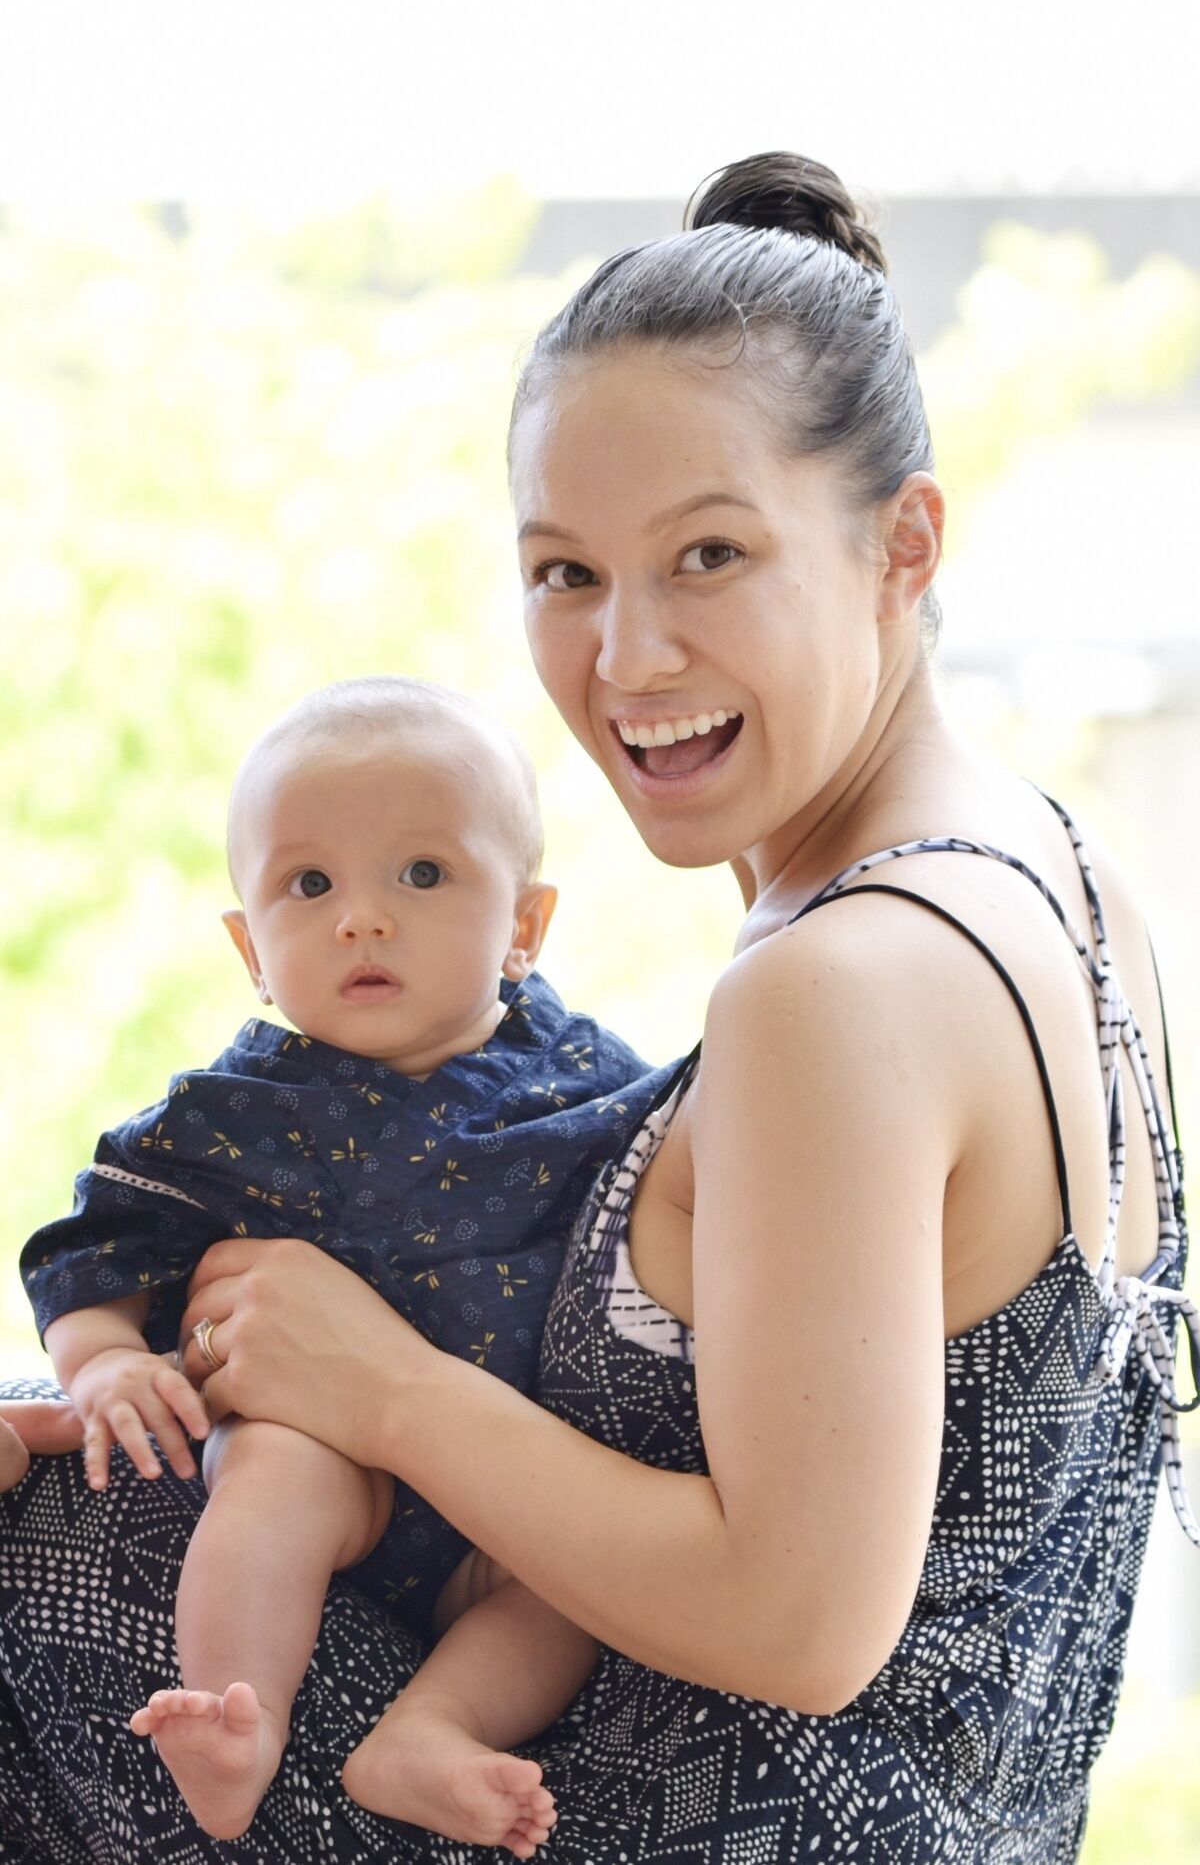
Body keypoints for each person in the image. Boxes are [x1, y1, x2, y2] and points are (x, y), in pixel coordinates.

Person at [2, 149, 1197, 1863]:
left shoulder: (835, 984)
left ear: (901, 544)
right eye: (565, 572)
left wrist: (386, 1388)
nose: (626, 659)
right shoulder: (1075, 889)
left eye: (708, 555)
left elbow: (803, 1620)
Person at [17, 676, 668, 1853]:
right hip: (333, 1468)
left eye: (422, 874)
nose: (361, 918)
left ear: (524, 924)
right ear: (249, 947)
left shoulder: (598, 1081)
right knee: (270, 1472)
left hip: (508, 1496)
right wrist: (105, 1363)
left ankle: (428, 1731)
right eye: (308, 885)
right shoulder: (229, 1113)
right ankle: (230, 1717)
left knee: (576, 1589)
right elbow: (88, 1245)